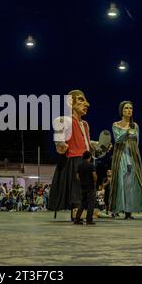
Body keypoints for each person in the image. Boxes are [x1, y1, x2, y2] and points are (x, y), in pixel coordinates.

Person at [48, 90, 97, 220]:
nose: (86, 104)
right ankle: (76, 210)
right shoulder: (64, 120)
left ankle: (85, 209)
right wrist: (60, 144)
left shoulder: (85, 124)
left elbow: (86, 141)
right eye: (81, 100)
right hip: (74, 159)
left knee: (87, 187)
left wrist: (96, 144)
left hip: (85, 159)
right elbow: (59, 143)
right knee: (77, 186)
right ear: (70, 102)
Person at [109, 101, 142, 219]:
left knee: (131, 184)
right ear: (121, 110)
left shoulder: (135, 125)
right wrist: (127, 132)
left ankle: (129, 211)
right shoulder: (116, 124)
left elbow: (137, 141)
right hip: (121, 155)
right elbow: (117, 139)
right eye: (126, 108)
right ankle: (120, 208)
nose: (129, 110)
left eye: (131, 108)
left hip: (132, 155)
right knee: (121, 182)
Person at [74, 151, 97, 225]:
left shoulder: (79, 165)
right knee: (91, 203)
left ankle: (77, 219)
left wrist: (83, 181)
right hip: (90, 186)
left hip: (82, 186)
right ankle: (89, 220)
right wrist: (94, 180)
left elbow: (77, 177)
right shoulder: (91, 165)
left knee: (82, 203)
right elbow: (94, 175)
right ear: (90, 157)